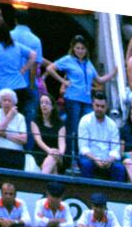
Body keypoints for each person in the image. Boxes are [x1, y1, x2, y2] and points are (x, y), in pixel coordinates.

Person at [47, 34, 117, 165]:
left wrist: (113, 73)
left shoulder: (88, 63)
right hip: (73, 98)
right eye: (78, 48)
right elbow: (50, 68)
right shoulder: (68, 59)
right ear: (73, 48)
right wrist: (63, 81)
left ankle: (83, 158)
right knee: (72, 128)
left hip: (86, 100)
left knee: (86, 128)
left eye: (83, 48)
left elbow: (99, 79)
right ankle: (70, 159)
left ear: (86, 50)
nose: (80, 51)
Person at [78, 92, 126, 182]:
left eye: (102, 106)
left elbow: (115, 150)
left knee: (119, 168)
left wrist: (109, 160)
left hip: (108, 160)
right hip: (90, 158)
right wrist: (95, 159)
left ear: (107, 107)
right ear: (93, 105)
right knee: (85, 164)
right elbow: (83, 148)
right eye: (97, 106)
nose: (99, 109)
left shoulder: (112, 124)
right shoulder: (85, 120)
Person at [0, 88, 28, 171]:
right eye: (4, 100)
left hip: (16, 153)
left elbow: (24, 139)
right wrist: (9, 116)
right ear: (0, 102)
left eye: (9, 101)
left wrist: (5, 135)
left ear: (14, 103)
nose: (6, 103)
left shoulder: (20, 117)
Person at [30, 92, 66, 174]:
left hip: (57, 154)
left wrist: (60, 153)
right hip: (40, 153)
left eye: (46, 103)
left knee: (52, 158)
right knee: (53, 168)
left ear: (52, 106)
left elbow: (62, 142)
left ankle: (40, 183)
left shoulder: (60, 123)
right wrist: (50, 151)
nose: (43, 105)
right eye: (41, 103)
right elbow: (38, 140)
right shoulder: (35, 121)